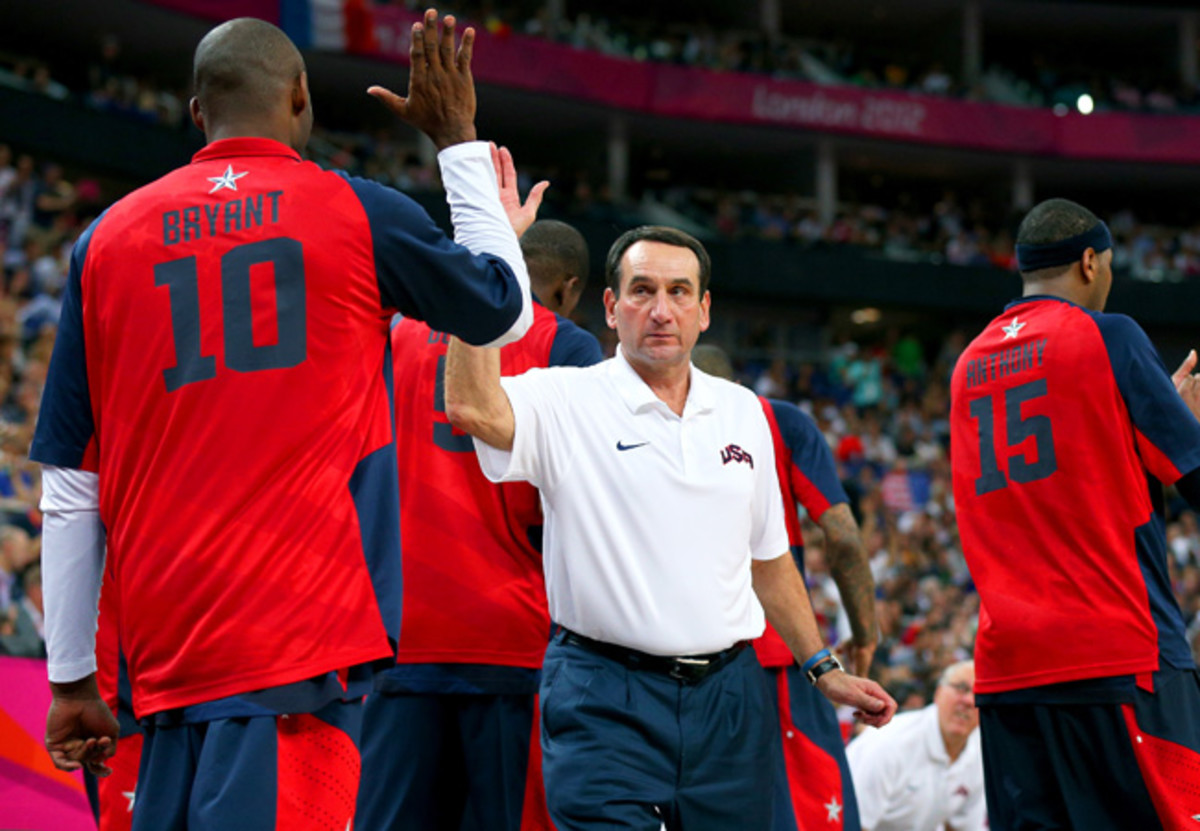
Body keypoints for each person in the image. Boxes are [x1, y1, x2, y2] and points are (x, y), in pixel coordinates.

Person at [31, 12, 535, 829]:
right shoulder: (352, 211)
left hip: (163, 657)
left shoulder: (102, 243)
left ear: (197, 113)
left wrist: (70, 679)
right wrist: (457, 142)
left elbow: (67, 486)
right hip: (301, 642)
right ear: (301, 98)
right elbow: (502, 312)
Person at [444, 225, 896, 830]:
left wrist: (823, 667)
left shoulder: (743, 412)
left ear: (704, 310)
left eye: (680, 292)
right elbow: (471, 406)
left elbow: (767, 561)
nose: (662, 311)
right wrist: (484, 244)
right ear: (610, 306)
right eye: (642, 291)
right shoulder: (565, 399)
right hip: (603, 695)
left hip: (731, 700)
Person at [358, 153, 602, 829]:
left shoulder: (396, 333)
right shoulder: (567, 345)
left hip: (397, 634)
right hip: (511, 638)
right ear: (571, 288)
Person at [949, 197, 1200, 830]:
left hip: (1008, 672)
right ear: (1091, 262)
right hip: (1116, 655)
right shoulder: (1108, 334)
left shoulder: (968, 364)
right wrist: (1183, 422)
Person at [691, 343, 875, 831]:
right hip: (777, 655)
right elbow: (843, 536)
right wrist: (865, 629)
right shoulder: (777, 420)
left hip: (676, 663)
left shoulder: (639, 419)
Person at [845, 660, 986, 831]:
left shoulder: (980, 752)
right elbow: (853, 823)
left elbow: (963, 826)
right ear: (938, 693)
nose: (969, 701)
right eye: (961, 688)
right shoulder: (890, 742)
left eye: (978, 694)